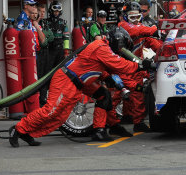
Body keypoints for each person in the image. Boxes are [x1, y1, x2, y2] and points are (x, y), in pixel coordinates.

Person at [8, 27, 156, 147]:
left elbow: (104, 68)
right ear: (118, 41)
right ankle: (19, 129)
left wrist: (119, 81)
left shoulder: (104, 49)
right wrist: (142, 64)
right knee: (51, 112)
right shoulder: (101, 48)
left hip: (80, 81)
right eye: (122, 46)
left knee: (103, 95)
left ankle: (100, 130)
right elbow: (121, 65)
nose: (121, 50)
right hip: (67, 80)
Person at [117, 3, 162, 132]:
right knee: (115, 96)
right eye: (132, 17)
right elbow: (136, 30)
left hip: (134, 66)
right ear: (125, 17)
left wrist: (165, 48)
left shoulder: (141, 30)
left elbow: (152, 41)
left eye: (137, 17)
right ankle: (107, 125)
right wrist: (154, 29)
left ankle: (132, 119)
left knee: (136, 93)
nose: (135, 20)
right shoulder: (123, 27)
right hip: (120, 66)